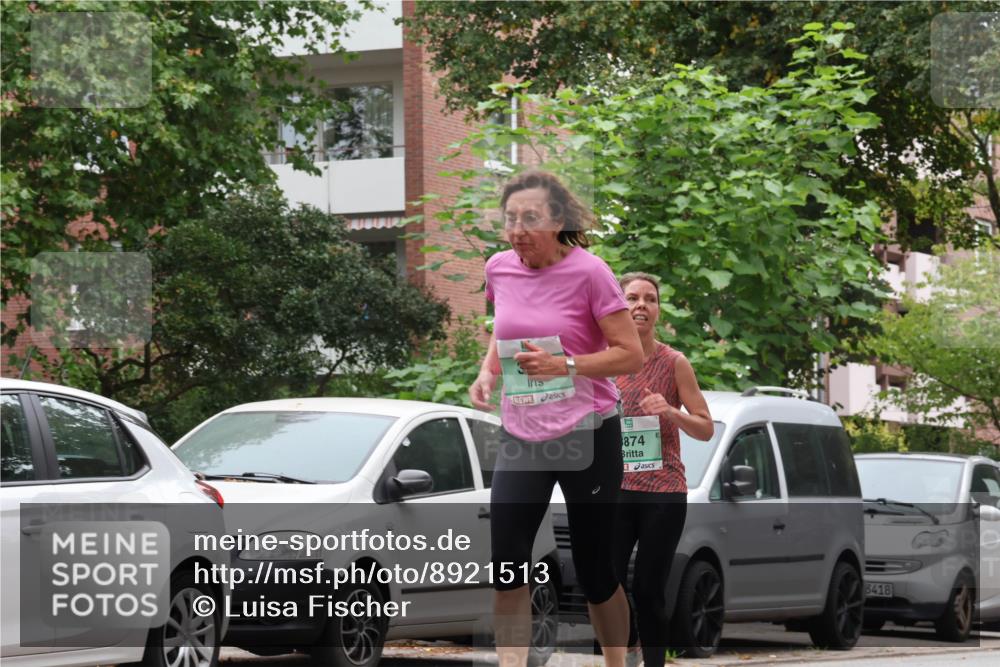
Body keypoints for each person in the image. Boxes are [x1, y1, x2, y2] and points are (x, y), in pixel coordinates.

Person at [468, 170, 643, 667]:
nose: (518, 229)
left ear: (558, 220)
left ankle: (616, 662)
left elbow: (628, 354)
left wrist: (565, 364)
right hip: (523, 434)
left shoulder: (591, 273)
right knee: (507, 563)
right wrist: (488, 371)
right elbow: (502, 330)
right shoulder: (499, 268)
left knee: (594, 569)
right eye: (510, 219)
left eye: (530, 218)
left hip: (588, 431)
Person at [613, 272, 714, 667]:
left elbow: (705, 427)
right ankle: (624, 651)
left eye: (649, 299)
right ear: (619, 306)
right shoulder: (604, 358)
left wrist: (671, 412)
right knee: (608, 584)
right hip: (614, 488)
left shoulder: (674, 363)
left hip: (663, 491)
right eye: (632, 298)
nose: (641, 305)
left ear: (657, 309)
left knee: (650, 587)